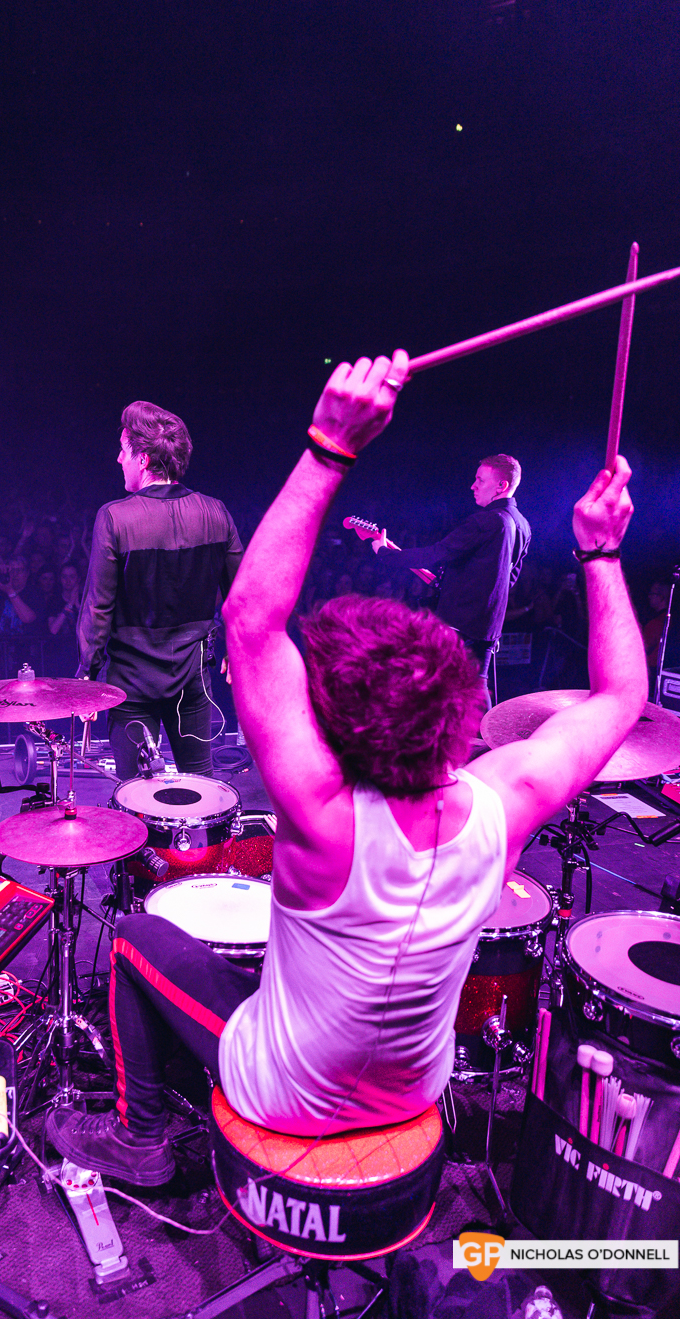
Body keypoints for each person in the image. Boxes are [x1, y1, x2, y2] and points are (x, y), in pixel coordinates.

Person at [46, 352, 646, 1187]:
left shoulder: (322, 817)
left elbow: (253, 618)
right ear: (457, 710)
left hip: (286, 1097)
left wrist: (331, 444)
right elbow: (622, 695)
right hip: (412, 1091)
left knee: (139, 936)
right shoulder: (501, 807)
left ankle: (139, 1140)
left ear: (332, 730)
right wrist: (602, 556)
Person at [75, 400, 243, 780]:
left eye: (124, 450)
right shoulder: (217, 512)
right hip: (193, 681)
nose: (118, 459)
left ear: (144, 459)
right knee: (201, 789)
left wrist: (87, 674)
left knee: (137, 794)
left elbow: (98, 607)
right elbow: (242, 595)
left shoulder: (115, 517)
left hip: (130, 685)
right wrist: (236, 648)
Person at [372, 452, 531, 697]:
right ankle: (484, 735)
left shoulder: (487, 521)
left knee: (430, 683)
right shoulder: (523, 525)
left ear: (502, 486)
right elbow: (509, 579)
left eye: (480, 480)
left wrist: (385, 553)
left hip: (459, 622)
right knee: (476, 688)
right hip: (488, 625)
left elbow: (437, 553)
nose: (473, 486)